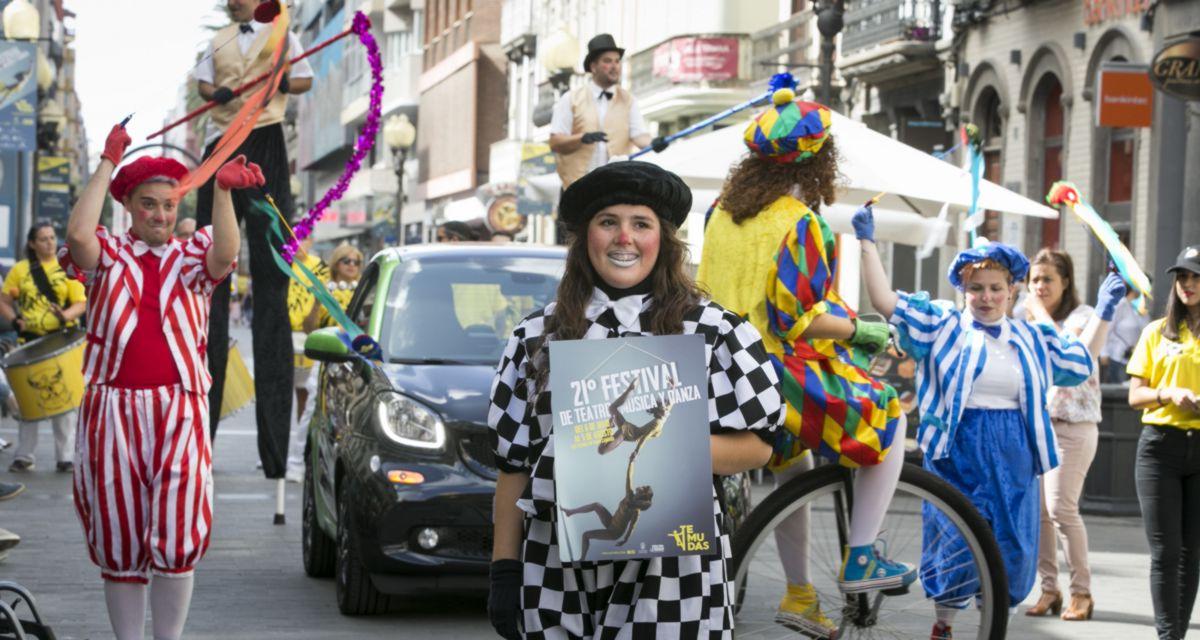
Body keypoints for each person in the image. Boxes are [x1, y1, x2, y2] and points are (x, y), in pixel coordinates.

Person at [487, 161, 783, 639]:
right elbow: (512, 465)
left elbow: (760, 446)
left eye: (640, 224)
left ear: (663, 239)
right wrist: (504, 570)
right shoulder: (535, 337)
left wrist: (664, 448)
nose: (624, 237)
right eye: (608, 222)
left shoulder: (716, 330)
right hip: (556, 568)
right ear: (586, 237)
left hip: (676, 572)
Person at [695, 93, 913, 639]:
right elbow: (796, 318)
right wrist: (862, 329)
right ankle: (862, 556)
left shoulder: (719, 213)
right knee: (890, 418)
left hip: (719, 371)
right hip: (776, 375)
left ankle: (800, 595)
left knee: (796, 470)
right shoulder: (802, 223)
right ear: (819, 161)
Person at [854, 215, 1105, 639]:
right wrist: (866, 243)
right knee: (952, 543)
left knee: (1012, 547)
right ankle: (944, 626)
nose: (985, 297)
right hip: (957, 449)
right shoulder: (943, 325)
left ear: (1011, 292)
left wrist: (1107, 311)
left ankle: (993, 627)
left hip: (1015, 452)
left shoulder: (1030, 338)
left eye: (995, 288)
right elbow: (885, 301)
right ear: (963, 291)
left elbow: (1078, 363)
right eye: (976, 288)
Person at [61, 121, 259, 640]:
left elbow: (225, 252)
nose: (161, 215)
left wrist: (220, 190)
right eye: (149, 204)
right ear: (128, 205)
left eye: (169, 205)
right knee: (120, 532)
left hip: (181, 409)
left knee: (178, 531)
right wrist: (108, 161)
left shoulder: (189, 257)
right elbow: (78, 236)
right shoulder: (107, 254)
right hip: (113, 409)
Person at [193, 0, 313, 485]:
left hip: (265, 140)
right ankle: (200, 438)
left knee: (271, 283)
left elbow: (304, 79)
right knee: (211, 274)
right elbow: (202, 84)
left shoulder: (284, 32)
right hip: (221, 143)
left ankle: (274, 452)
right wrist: (217, 91)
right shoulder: (219, 38)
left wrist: (283, 81)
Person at [1022, 249, 1121, 621]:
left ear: (1066, 281)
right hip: (1040, 426)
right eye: (1034, 279)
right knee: (1041, 513)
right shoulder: (1029, 319)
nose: (1040, 286)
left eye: (1047, 279)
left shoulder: (1081, 317)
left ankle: (1082, 592)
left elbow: (1070, 352)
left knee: (1062, 509)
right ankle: (1050, 589)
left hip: (1075, 427)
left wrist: (1038, 312)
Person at [1126, 243, 1200, 640]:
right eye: (1182, 277)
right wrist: (1168, 394)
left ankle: (1177, 634)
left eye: (1195, 276)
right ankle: (1168, 636)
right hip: (1160, 447)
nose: (1187, 284)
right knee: (1166, 552)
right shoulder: (1157, 331)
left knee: (1192, 554)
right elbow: (1135, 396)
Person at [0, 222, 87, 473]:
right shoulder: (21, 270)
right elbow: (4, 301)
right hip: (29, 342)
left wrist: (64, 315)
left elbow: (81, 303)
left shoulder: (65, 269)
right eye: (43, 239)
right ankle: (25, 455)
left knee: (63, 399)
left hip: (60, 340)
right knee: (29, 400)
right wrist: (15, 320)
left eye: (52, 238)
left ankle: (66, 456)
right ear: (32, 243)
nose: (50, 243)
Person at [548, 34, 657, 191]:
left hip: (616, 183)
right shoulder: (571, 99)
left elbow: (639, 136)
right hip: (578, 185)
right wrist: (582, 138)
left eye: (617, 61)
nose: (614, 66)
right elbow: (555, 142)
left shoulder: (628, 100)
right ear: (593, 67)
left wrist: (655, 143)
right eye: (607, 61)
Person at [285, 234, 328, 481]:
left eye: (303, 238)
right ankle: (275, 448)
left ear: (311, 240)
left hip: (307, 337)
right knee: (280, 392)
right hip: (284, 334)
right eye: (294, 237)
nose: (298, 242)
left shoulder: (319, 267)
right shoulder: (283, 262)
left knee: (304, 393)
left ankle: (297, 452)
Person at [302, 243, 361, 332]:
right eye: (346, 261)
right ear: (336, 264)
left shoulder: (364, 292)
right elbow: (308, 330)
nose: (352, 265)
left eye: (356, 262)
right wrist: (316, 304)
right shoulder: (323, 291)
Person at [1101, 285, 1149, 383]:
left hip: (1134, 358)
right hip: (1117, 356)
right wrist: (1103, 352)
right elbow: (1107, 328)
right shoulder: (1120, 304)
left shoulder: (1139, 309)